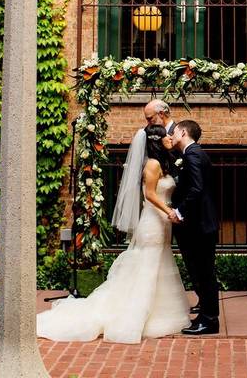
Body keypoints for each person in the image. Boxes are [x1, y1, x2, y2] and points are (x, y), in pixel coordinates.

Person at [37, 124, 190, 343]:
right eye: (165, 135)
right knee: (148, 267)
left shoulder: (163, 162)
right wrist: (170, 212)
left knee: (160, 264)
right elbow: (149, 195)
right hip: (153, 221)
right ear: (156, 140)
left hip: (162, 221)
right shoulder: (153, 164)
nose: (169, 137)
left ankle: (160, 313)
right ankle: (134, 317)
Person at [170, 119, 220, 335]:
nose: (170, 136)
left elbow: (197, 189)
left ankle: (209, 320)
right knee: (201, 272)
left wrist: (179, 211)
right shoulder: (191, 154)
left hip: (200, 226)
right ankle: (205, 315)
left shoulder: (193, 155)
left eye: (173, 133)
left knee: (205, 273)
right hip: (199, 224)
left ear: (182, 132)